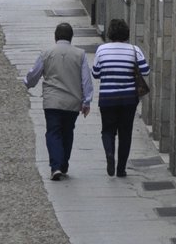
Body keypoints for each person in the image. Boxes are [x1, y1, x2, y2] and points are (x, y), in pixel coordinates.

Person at [24, 22, 93, 179]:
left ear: (55, 37)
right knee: (67, 132)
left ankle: (56, 166)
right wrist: (86, 101)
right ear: (71, 37)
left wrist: (27, 83)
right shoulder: (80, 54)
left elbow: (34, 74)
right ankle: (63, 164)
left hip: (52, 101)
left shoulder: (46, 53)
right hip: (72, 102)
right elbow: (86, 80)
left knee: (53, 132)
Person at [91, 17, 150, 178]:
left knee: (107, 130)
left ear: (110, 33)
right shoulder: (134, 50)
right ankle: (121, 169)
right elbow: (146, 70)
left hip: (107, 98)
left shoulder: (102, 50)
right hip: (128, 99)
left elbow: (95, 73)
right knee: (125, 133)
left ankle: (110, 154)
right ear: (126, 33)